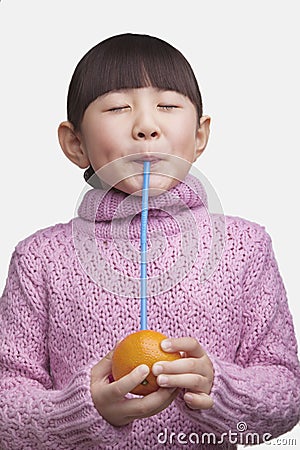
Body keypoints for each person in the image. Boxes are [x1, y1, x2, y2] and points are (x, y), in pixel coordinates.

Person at [0, 33, 299, 450]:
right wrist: (80, 411)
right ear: (75, 142)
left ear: (199, 135)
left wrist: (219, 389)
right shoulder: (39, 259)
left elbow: (286, 396)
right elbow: (6, 406)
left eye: (168, 106)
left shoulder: (245, 246)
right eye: (119, 107)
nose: (145, 126)